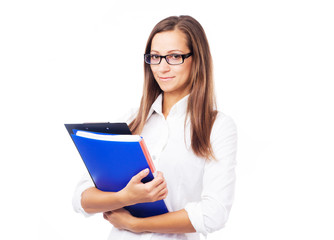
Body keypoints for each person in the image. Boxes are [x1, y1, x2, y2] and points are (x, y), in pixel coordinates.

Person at [72, 15, 237, 240]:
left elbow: (213, 214)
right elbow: (81, 198)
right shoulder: (134, 119)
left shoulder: (217, 127)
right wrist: (124, 197)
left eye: (174, 56)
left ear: (196, 60)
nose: (162, 67)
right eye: (155, 57)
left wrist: (137, 224)